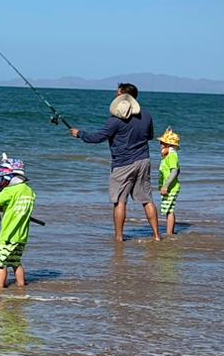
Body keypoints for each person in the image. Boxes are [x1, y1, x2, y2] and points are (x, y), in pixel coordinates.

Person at [69, 83, 161, 241]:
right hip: (143, 160)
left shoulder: (115, 120)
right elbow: (150, 136)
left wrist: (80, 134)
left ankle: (119, 237)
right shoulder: (146, 115)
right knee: (147, 199)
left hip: (123, 164)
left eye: (118, 94)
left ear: (124, 96)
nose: (115, 96)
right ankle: (157, 236)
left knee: (119, 201)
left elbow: (97, 138)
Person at [0, 154, 36, 289]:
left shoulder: (10, 191)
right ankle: (21, 287)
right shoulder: (30, 191)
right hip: (22, 236)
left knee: (1, 264)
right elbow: (15, 206)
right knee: (16, 262)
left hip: (8, 236)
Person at [158, 127, 182, 237]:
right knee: (169, 209)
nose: (160, 145)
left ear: (168, 145)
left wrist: (166, 186)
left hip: (171, 188)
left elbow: (175, 171)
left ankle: (169, 233)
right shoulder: (168, 155)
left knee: (169, 210)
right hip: (169, 187)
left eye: (162, 143)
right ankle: (170, 231)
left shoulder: (172, 156)